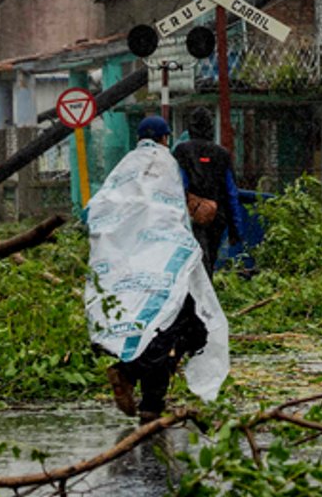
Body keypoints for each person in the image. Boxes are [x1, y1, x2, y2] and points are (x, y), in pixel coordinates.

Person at [86, 115, 230, 421]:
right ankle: (148, 399)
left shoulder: (124, 167)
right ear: (166, 138)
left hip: (132, 265)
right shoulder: (171, 165)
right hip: (168, 262)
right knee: (176, 327)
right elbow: (183, 205)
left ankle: (136, 382)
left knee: (154, 324)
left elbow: (98, 209)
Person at [172, 110, 246, 276]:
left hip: (187, 218)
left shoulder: (181, 151)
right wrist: (236, 228)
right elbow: (231, 193)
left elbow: (177, 184)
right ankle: (205, 297)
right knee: (209, 260)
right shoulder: (222, 154)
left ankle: (191, 299)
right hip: (216, 218)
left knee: (189, 263)